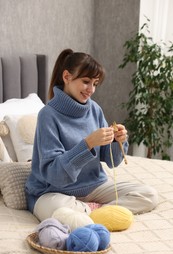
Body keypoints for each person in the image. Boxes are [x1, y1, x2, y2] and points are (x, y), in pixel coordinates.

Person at [25, 49, 158, 221]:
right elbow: (55, 175)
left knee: (149, 195)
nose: (91, 89)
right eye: (86, 81)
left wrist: (117, 142)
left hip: (94, 187)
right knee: (58, 210)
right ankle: (96, 213)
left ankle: (89, 213)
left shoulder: (94, 109)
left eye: (95, 83)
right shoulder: (47, 115)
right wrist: (87, 144)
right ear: (67, 77)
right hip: (53, 192)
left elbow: (111, 161)